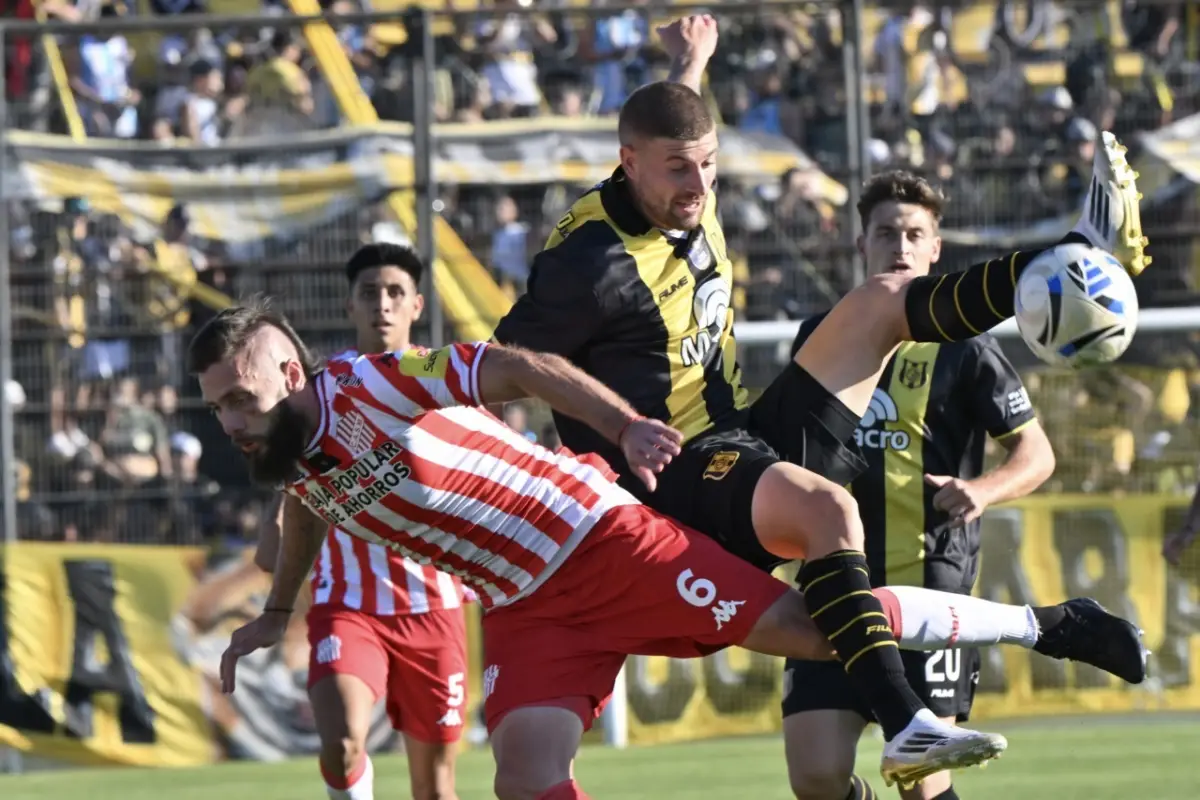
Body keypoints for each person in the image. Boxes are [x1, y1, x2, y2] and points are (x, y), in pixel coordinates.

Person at [491, 14, 1149, 791]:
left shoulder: (672, 185)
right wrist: (618, 426)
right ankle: (949, 697)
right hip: (663, 483)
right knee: (829, 531)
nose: (699, 187)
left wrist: (690, 61)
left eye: (708, 165)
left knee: (881, 303)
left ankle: (1066, 260)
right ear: (628, 163)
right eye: (679, 170)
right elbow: (509, 364)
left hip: (730, 446)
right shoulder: (586, 265)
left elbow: (676, 122)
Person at [197, 303, 1146, 799]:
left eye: (241, 398)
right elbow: (307, 512)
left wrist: (624, 425)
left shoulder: (371, 382)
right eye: (218, 408)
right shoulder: (291, 456)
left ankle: (1050, 623)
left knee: (817, 634)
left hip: (594, 536)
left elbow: (517, 367)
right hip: (524, 603)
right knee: (523, 774)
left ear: (291, 372)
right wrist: (276, 612)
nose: (231, 422)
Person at [781, 172, 1057, 800]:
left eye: (914, 235)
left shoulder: (966, 349)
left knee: (921, 783)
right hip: (835, 587)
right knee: (815, 777)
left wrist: (983, 490)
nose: (899, 247)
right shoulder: (819, 336)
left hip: (931, 591)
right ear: (861, 246)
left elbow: (1036, 453)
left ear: (936, 249)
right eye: (885, 234)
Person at [254, 244, 470, 800]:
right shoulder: (319, 397)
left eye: (396, 292)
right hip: (348, 605)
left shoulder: (450, 387)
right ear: (349, 306)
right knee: (344, 742)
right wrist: (275, 529)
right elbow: (286, 499)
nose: (383, 304)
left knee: (436, 786)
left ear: (417, 305)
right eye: (369, 292)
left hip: (435, 610)